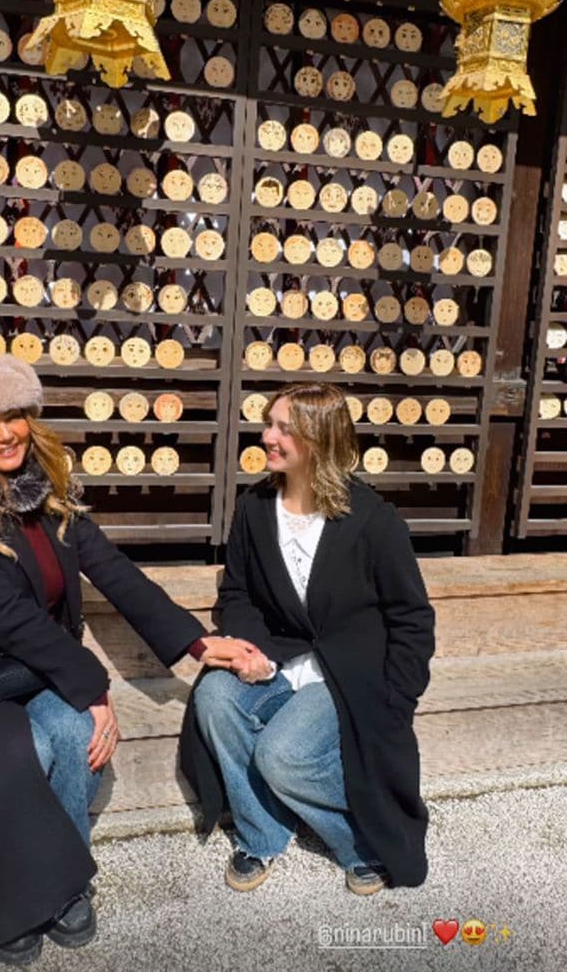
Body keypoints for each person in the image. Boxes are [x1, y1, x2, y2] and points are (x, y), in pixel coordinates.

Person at [0, 356, 253, 965]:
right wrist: (95, 688)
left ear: (30, 419)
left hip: (35, 666)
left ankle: (63, 881)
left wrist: (196, 642)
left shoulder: (45, 491)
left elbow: (111, 570)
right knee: (28, 748)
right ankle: (10, 890)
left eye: (13, 417)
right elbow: (9, 619)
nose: (4, 434)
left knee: (75, 735)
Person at [180, 383, 435, 895]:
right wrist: (250, 652)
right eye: (269, 423)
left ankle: (360, 839)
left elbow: (411, 616)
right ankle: (262, 832)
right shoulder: (255, 507)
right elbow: (237, 593)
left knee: (284, 755)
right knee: (212, 696)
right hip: (280, 656)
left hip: (348, 671)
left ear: (319, 439)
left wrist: (398, 696)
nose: (267, 436)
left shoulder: (372, 521)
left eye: (283, 429)